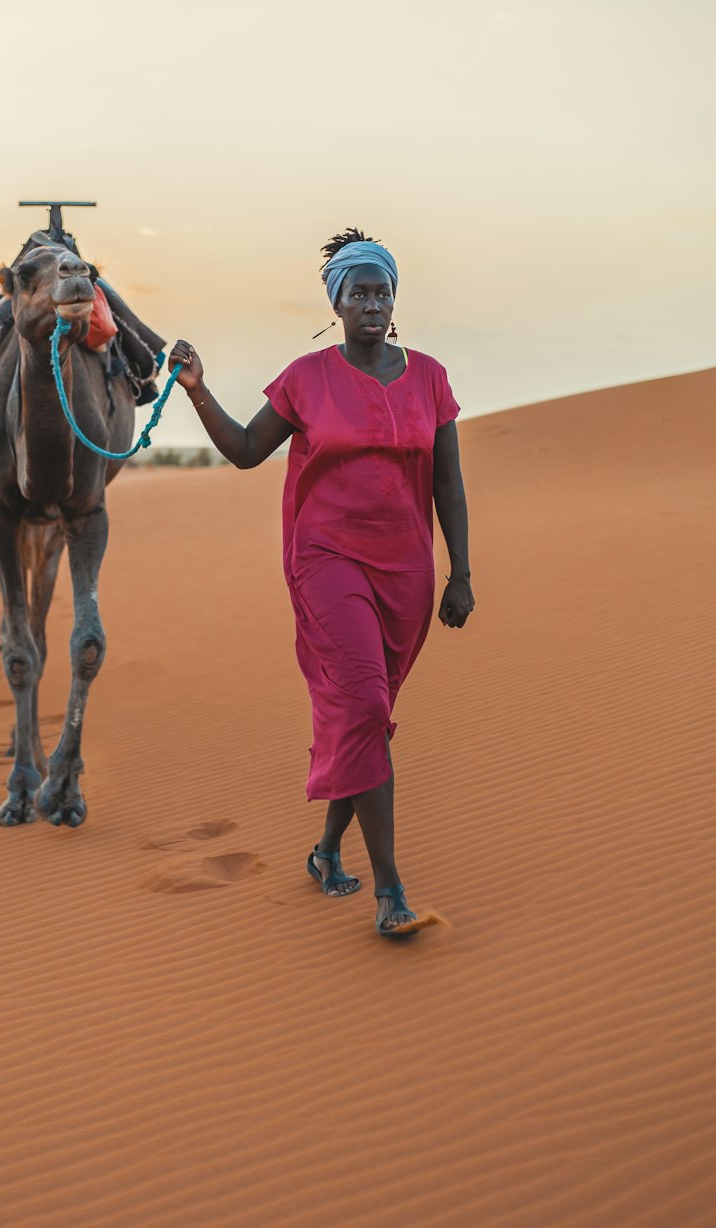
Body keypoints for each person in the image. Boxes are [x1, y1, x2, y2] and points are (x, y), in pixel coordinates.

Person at [168, 229, 474, 938]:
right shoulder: (307, 378)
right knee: (365, 703)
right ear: (336, 302)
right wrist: (198, 390)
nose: (372, 302)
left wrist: (462, 571)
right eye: (358, 292)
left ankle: (328, 850)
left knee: (363, 716)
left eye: (382, 291)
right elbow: (246, 451)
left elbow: (449, 483)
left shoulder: (429, 376)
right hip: (327, 561)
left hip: (407, 570)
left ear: (394, 300)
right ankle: (390, 892)